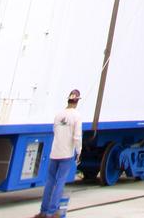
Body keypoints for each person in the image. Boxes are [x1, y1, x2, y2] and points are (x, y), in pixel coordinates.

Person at [37, 89, 82, 218]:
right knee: (60, 182)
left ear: (68, 100)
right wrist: (78, 151)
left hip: (54, 153)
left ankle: (43, 211)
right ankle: (53, 211)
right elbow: (77, 137)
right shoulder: (77, 116)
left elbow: (55, 131)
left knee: (50, 182)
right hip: (66, 154)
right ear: (77, 101)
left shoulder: (58, 115)